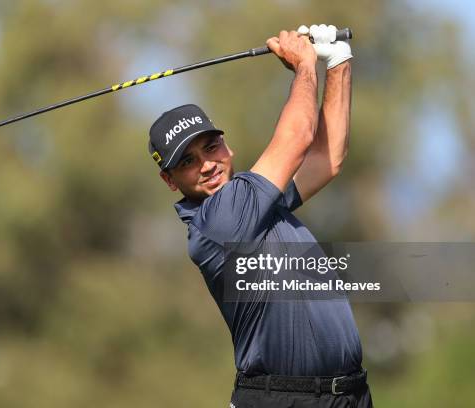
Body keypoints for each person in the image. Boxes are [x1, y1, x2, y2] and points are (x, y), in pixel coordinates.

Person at [147, 25, 373, 407]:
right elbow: (299, 136)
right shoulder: (217, 222)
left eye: (211, 146)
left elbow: (326, 159)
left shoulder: (257, 201)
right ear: (170, 181)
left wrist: (338, 63)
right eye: (188, 162)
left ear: (227, 145)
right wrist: (305, 66)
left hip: (348, 397)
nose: (206, 165)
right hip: (281, 400)